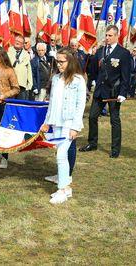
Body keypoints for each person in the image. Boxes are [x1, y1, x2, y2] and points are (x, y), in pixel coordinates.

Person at [40, 47, 86, 204]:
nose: (58, 64)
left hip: (69, 123)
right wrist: (46, 122)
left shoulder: (78, 80)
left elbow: (80, 105)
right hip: (56, 121)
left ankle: (62, 188)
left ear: (70, 61)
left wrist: (75, 127)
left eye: (61, 61)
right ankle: (66, 188)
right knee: (60, 154)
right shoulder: (56, 79)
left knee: (61, 154)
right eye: (57, 61)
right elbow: (52, 102)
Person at [79, 25, 131, 158]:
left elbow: (126, 75)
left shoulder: (123, 53)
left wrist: (123, 93)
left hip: (114, 92)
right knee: (92, 117)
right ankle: (92, 142)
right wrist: (90, 57)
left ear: (116, 36)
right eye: (106, 35)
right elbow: (93, 70)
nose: (107, 38)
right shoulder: (100, 51)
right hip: (100, 90)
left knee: (114, 120)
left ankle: (115, 149)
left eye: (110, 35)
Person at [8, 35, 33, 100]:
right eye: (16, 40)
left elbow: (29, 70)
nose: (17, 42)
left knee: (20, 104)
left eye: (19, 41)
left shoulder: (26, 54)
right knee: (11, 103)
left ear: (22, 45)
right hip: (10, 84)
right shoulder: (8, 51)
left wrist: (30, 84)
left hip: (21, 84)